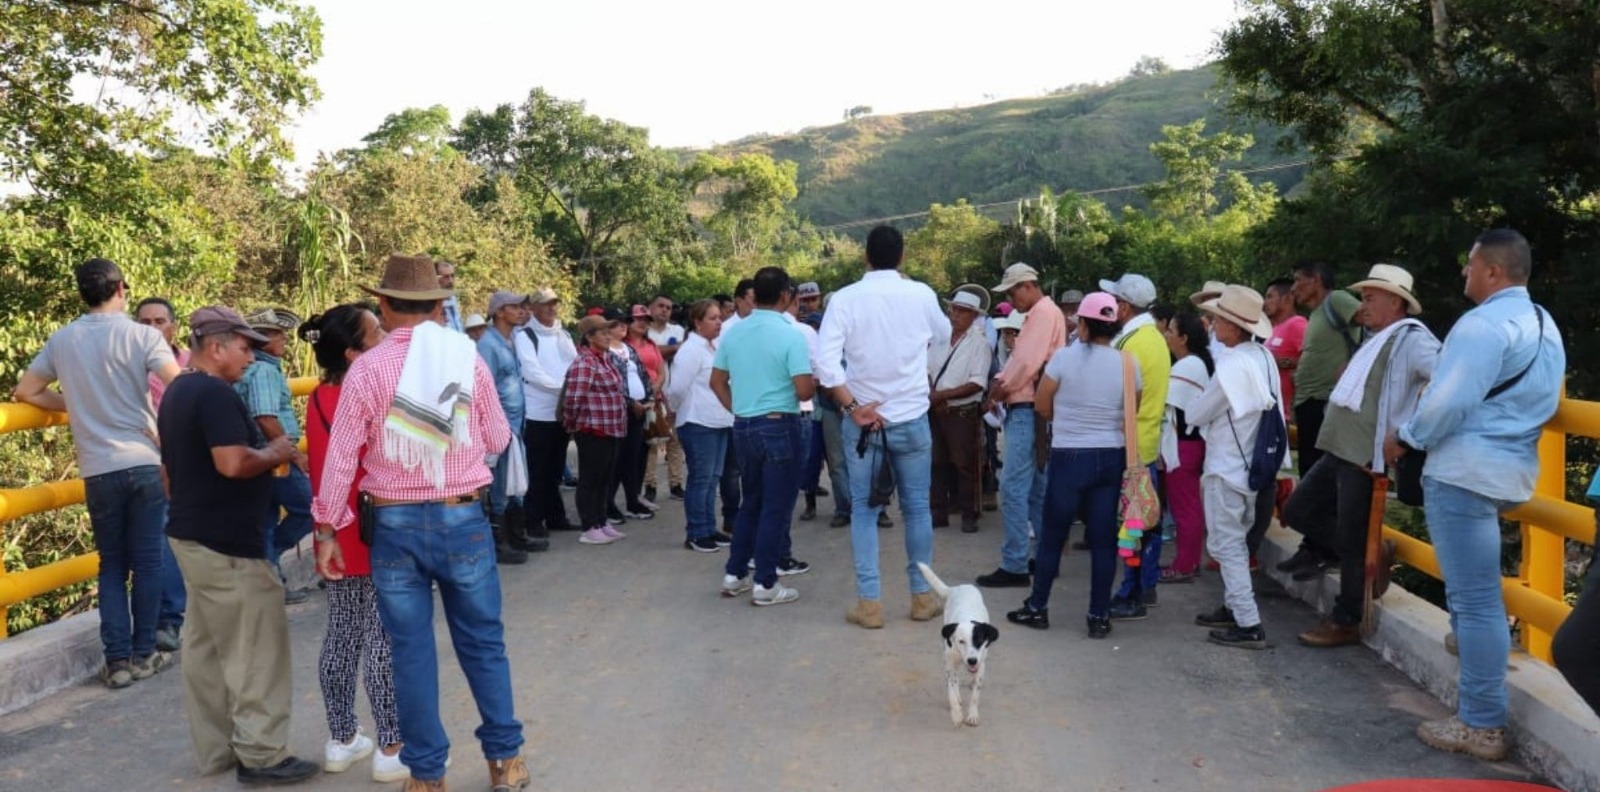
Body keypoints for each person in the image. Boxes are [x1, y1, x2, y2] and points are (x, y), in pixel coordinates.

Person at [311, 254, 530, 791]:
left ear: (383, 306)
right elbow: (500, 438)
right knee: (482, 643)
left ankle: (428, 777)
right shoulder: (467, 360)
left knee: (409, 653)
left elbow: (341, 461)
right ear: (439, 306)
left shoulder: (366, 368)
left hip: (393, 526)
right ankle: (505, 762)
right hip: (463, 518)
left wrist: (327, 531)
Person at [1388, 229, 1564, 762]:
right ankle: (1477, 671)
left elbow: (1447, 401)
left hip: (1463, 470)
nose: (1464, 274)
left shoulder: (1481, 325)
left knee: (1476, 598)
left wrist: (1408, 437)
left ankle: (1482, 723)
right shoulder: (1543, 323)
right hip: (1510, 471)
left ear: (1493, 271)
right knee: (1479, 596)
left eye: (1469, 266)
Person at [158, 306, 317, 786]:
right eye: (246, 347)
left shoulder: (178, 391)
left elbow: (170, 474)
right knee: (256, 650)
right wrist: (278, 452)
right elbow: (231, 463)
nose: (253, 356)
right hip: (228, 544)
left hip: (192, 534)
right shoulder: (213, 394)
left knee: (206, 651)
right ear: (216, 346)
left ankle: (218, 749)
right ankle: (262, 754)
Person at [12, 258, 180, 688]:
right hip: (142, 459)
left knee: (111, 565)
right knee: (146, 562)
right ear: (122, 288)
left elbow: (27, 391)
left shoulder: (63, 339)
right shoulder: (142, 335)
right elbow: (178, 388)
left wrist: (75, 405)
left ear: (81, 293)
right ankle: (144, 655)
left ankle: (118, 662)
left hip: (98, 468)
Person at [1288, 265, 1439, 648]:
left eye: (1371, 297)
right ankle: (1374, 558)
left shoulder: (1411, 339)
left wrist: (1407, 433)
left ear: (1395, 302)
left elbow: (1446, 379)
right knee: (1296, 511)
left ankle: (1347, 618)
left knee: (1351, 538)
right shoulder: (1376, 338)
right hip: (1340, 448)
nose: (1363, 304)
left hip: (1364, 456)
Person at [816, 226, 951, 628]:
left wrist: (853, 406)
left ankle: (870, 603)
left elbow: (825, 364)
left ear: (865, 257)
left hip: (864, 423)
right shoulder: (921, 294)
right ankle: (922, 596)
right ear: (903, 255)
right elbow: (943, 336)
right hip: (911, 417)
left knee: (864, 510)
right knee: (916, 509)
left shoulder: (844, 299)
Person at [299, 305, 406, 782]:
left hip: (337, 527)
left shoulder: (320, 397)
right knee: (384, 636)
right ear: (352, 351)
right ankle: (391, 744)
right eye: (376, 330)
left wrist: (325, 530)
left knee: (343, 631)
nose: (385, 335)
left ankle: (341, 738)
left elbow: (325, 469)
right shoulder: (376, 393)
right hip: (381, 522)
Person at [1005, 292, 1136, 639]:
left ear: (1083, 323)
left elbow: (1042, 405)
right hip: (1110, 456)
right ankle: (1098, 616)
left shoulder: (1063, 359)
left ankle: (1038, 607)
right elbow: (1130, 409)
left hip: (1069, 455)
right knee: (1104, 540)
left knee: (1052, 535)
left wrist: (1068, 420)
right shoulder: (1127, 363)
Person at [1187, 285, 1283, 650]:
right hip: (1252, 465)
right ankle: (1233, 608)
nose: (1212, 325)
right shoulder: (1261, 357)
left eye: (1218, 319)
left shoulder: (1232, 365)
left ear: (1234, 325)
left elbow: (1199, 412)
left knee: (1227, 545)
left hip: (1228, 466)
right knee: (1236, 542)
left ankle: (1248, 621)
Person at [711, 267, 815, 605]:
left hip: (745, 424)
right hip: (779, 423)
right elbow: (802, 390)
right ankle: (766, 582)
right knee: (776, 507)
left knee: (751, 501)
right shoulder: (791, 334)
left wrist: (740, 408)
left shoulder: (734, 333)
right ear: (786, 295)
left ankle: (735, 573)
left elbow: (717, 381)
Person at [976, 262, 1067, 589]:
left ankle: (1014, 563)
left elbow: (1025, 361)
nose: (1012, 298)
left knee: (1014, 489)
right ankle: (1045, 557)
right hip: (1037, 408)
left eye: (1014, 290)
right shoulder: (1047, 312)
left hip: (1027, 406)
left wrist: (1000, 387)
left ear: (1028, 285)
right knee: (1037, 489)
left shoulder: (1042, 314)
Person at [1278, 260, 1361, 580]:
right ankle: (1313, 547)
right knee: (1310, 474)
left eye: (1299, 280)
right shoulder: (1315, 315)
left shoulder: (1337, 299)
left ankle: (1328, 550)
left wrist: (1356, 365)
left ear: (1316, 281)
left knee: (1321, 481)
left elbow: (1371, 322)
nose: (1295, 288)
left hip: (1326, 403)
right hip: (1310, 404)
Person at [1101, 273, 1172, 615]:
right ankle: (1143, 587)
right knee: (1144, 524)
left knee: (1132, 528)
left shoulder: (1134, 343)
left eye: (1114, 302)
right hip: (1143, 444)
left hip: (1131, 448)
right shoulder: (1151, 337)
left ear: (1125, 307)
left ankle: (1133, 592)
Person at [237, 307, 313, 603]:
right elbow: (265, 417)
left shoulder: (257, 368)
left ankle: (268, 579)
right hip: (275, 455)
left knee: (266, 517)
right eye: (276, 333)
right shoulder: (264, 371)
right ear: (259, 338)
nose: (284, 339)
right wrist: (293, 454)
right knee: (307, 507)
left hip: (263, 455)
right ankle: (269, 565)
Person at [134, 295, 190, 653]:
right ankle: (166, 619)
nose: (152, 328)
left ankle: (172, 616)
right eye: (144, 322)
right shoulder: (130, 367)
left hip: (188, 462)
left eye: (159, 321)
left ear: (174, 327)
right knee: (159, 540)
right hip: (149, 464)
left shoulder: (186, 364)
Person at [667, 299, 735, 552]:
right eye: (712, 318)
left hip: (719, 419)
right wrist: (673, 412)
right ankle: (696, 532)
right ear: (697, 322)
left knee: (713, 477)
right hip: (697, 421)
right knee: (701, 478)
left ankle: (708, 528)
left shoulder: (714, 347)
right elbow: (677, 389)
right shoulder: (690, 350)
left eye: (720, 317)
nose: (719, 322)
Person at [515, 287, 579, 537]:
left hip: (560, 413)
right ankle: (533, 519)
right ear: (533, 308)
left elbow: (574, 364)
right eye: (545, 304)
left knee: (554, 468)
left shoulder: (562, 334)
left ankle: (555, 516)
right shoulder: (525, 336)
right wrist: (565, 389)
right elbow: (533, 373)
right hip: (537, 412)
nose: (551, 308)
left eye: (554, 303)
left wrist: (570, 391)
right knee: (538, 469)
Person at [478, 292, 536, 564]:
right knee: (501, 484)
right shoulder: (488, 345)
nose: (521, 311)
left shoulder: (509, 340)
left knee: (515, 481)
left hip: (515, 423)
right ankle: (500, 542)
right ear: (500, 312)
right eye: (515, 307)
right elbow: (483, 386)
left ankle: (517, 535)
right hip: (501, 425)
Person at [563, 313, 630, 545]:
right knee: (591, 478)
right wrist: (573, 423)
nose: (608, 336)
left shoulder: (605, 359)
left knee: (604, 478)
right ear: (589, 337)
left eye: (608, 331)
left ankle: (601, 521)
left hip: (611, 428)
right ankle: (589, 525)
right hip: (592, 429)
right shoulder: (585, 362)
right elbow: (573, 398)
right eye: (603, 332)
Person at [929, 289, 993, 533]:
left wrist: (940, 396)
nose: (956, 315)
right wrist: (935, 395)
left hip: (963, 411)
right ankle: (939, 512)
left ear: (973, 315)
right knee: (937, 462)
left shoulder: (980, 344)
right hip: (939, 408)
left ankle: (969, 513)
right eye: (954, 309)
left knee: (965, 465)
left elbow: (977, 383)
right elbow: (927, 370)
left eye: (962, 311)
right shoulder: (940, 340)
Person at [1158, 312, 1214, 583]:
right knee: (1185, 505)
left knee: (1185, 507)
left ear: (1184, 338)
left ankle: (1185, 565)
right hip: (1187, 443)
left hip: (1184, 444)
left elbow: (1175, 411)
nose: (1166, 335)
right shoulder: (1192, 362)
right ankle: (1186, 561)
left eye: (1171, 331)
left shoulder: (1189, 365)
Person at [610, 306, 658, 521]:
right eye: (617, 323)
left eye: (624, 322)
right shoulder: (605, 352)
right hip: (620, 412)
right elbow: (613, 384)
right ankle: (608, 504)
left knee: (634, 458)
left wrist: (649, 397)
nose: (622, 325)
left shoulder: (629, 350)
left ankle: (632, 500)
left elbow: (643, 375)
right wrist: (631, 402)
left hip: (640, 411)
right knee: (616, 460)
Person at [644, 294, 687, 502]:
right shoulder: (644, 331)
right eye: (660, 306)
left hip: (673, 392)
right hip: (652, 393)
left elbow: (683, 354)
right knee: (653, 440)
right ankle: (650, 485)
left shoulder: (678, 330)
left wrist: (666, 351)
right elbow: (647, 355)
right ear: (650, 308)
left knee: (675, 442)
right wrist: (673, 348)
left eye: (668, 307)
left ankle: (676, 484)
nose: (664, 310)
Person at [1263, 278, 1306, 417]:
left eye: (1270, 297)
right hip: (1274, 411)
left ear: (1287, 299)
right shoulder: (1274, 328)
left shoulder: (1297, 324)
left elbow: (1317, 360)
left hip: (1289, 414)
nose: (1265, 303)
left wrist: (1285, 362)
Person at [436, 259, 464, 332]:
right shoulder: (431, 304)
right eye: (446, 277)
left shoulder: (453, 298)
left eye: (452, 276)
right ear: (436, 278)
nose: (451, 280)